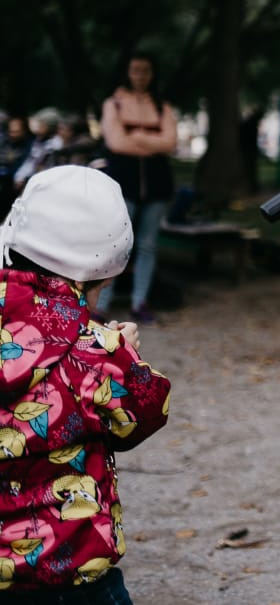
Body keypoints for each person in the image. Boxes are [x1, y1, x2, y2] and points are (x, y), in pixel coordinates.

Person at [0, 164, 171, 601]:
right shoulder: (97, 351)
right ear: (91, 278)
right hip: (72, 576)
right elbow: (142, 416)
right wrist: (126, 357)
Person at [96, 51, 178, 324]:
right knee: (116, 244)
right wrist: (151, 139)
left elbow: (170, 142)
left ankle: (139, 301)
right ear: (127, 72)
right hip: (124, 181)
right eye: (135, 70)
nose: (140, 76)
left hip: (156, 182)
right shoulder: (114, 104)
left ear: (152, 73)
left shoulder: (162, 106)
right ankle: (102, 304)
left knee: (147, 245)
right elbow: (116, 142)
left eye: (145, 70)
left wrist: (137, 135)